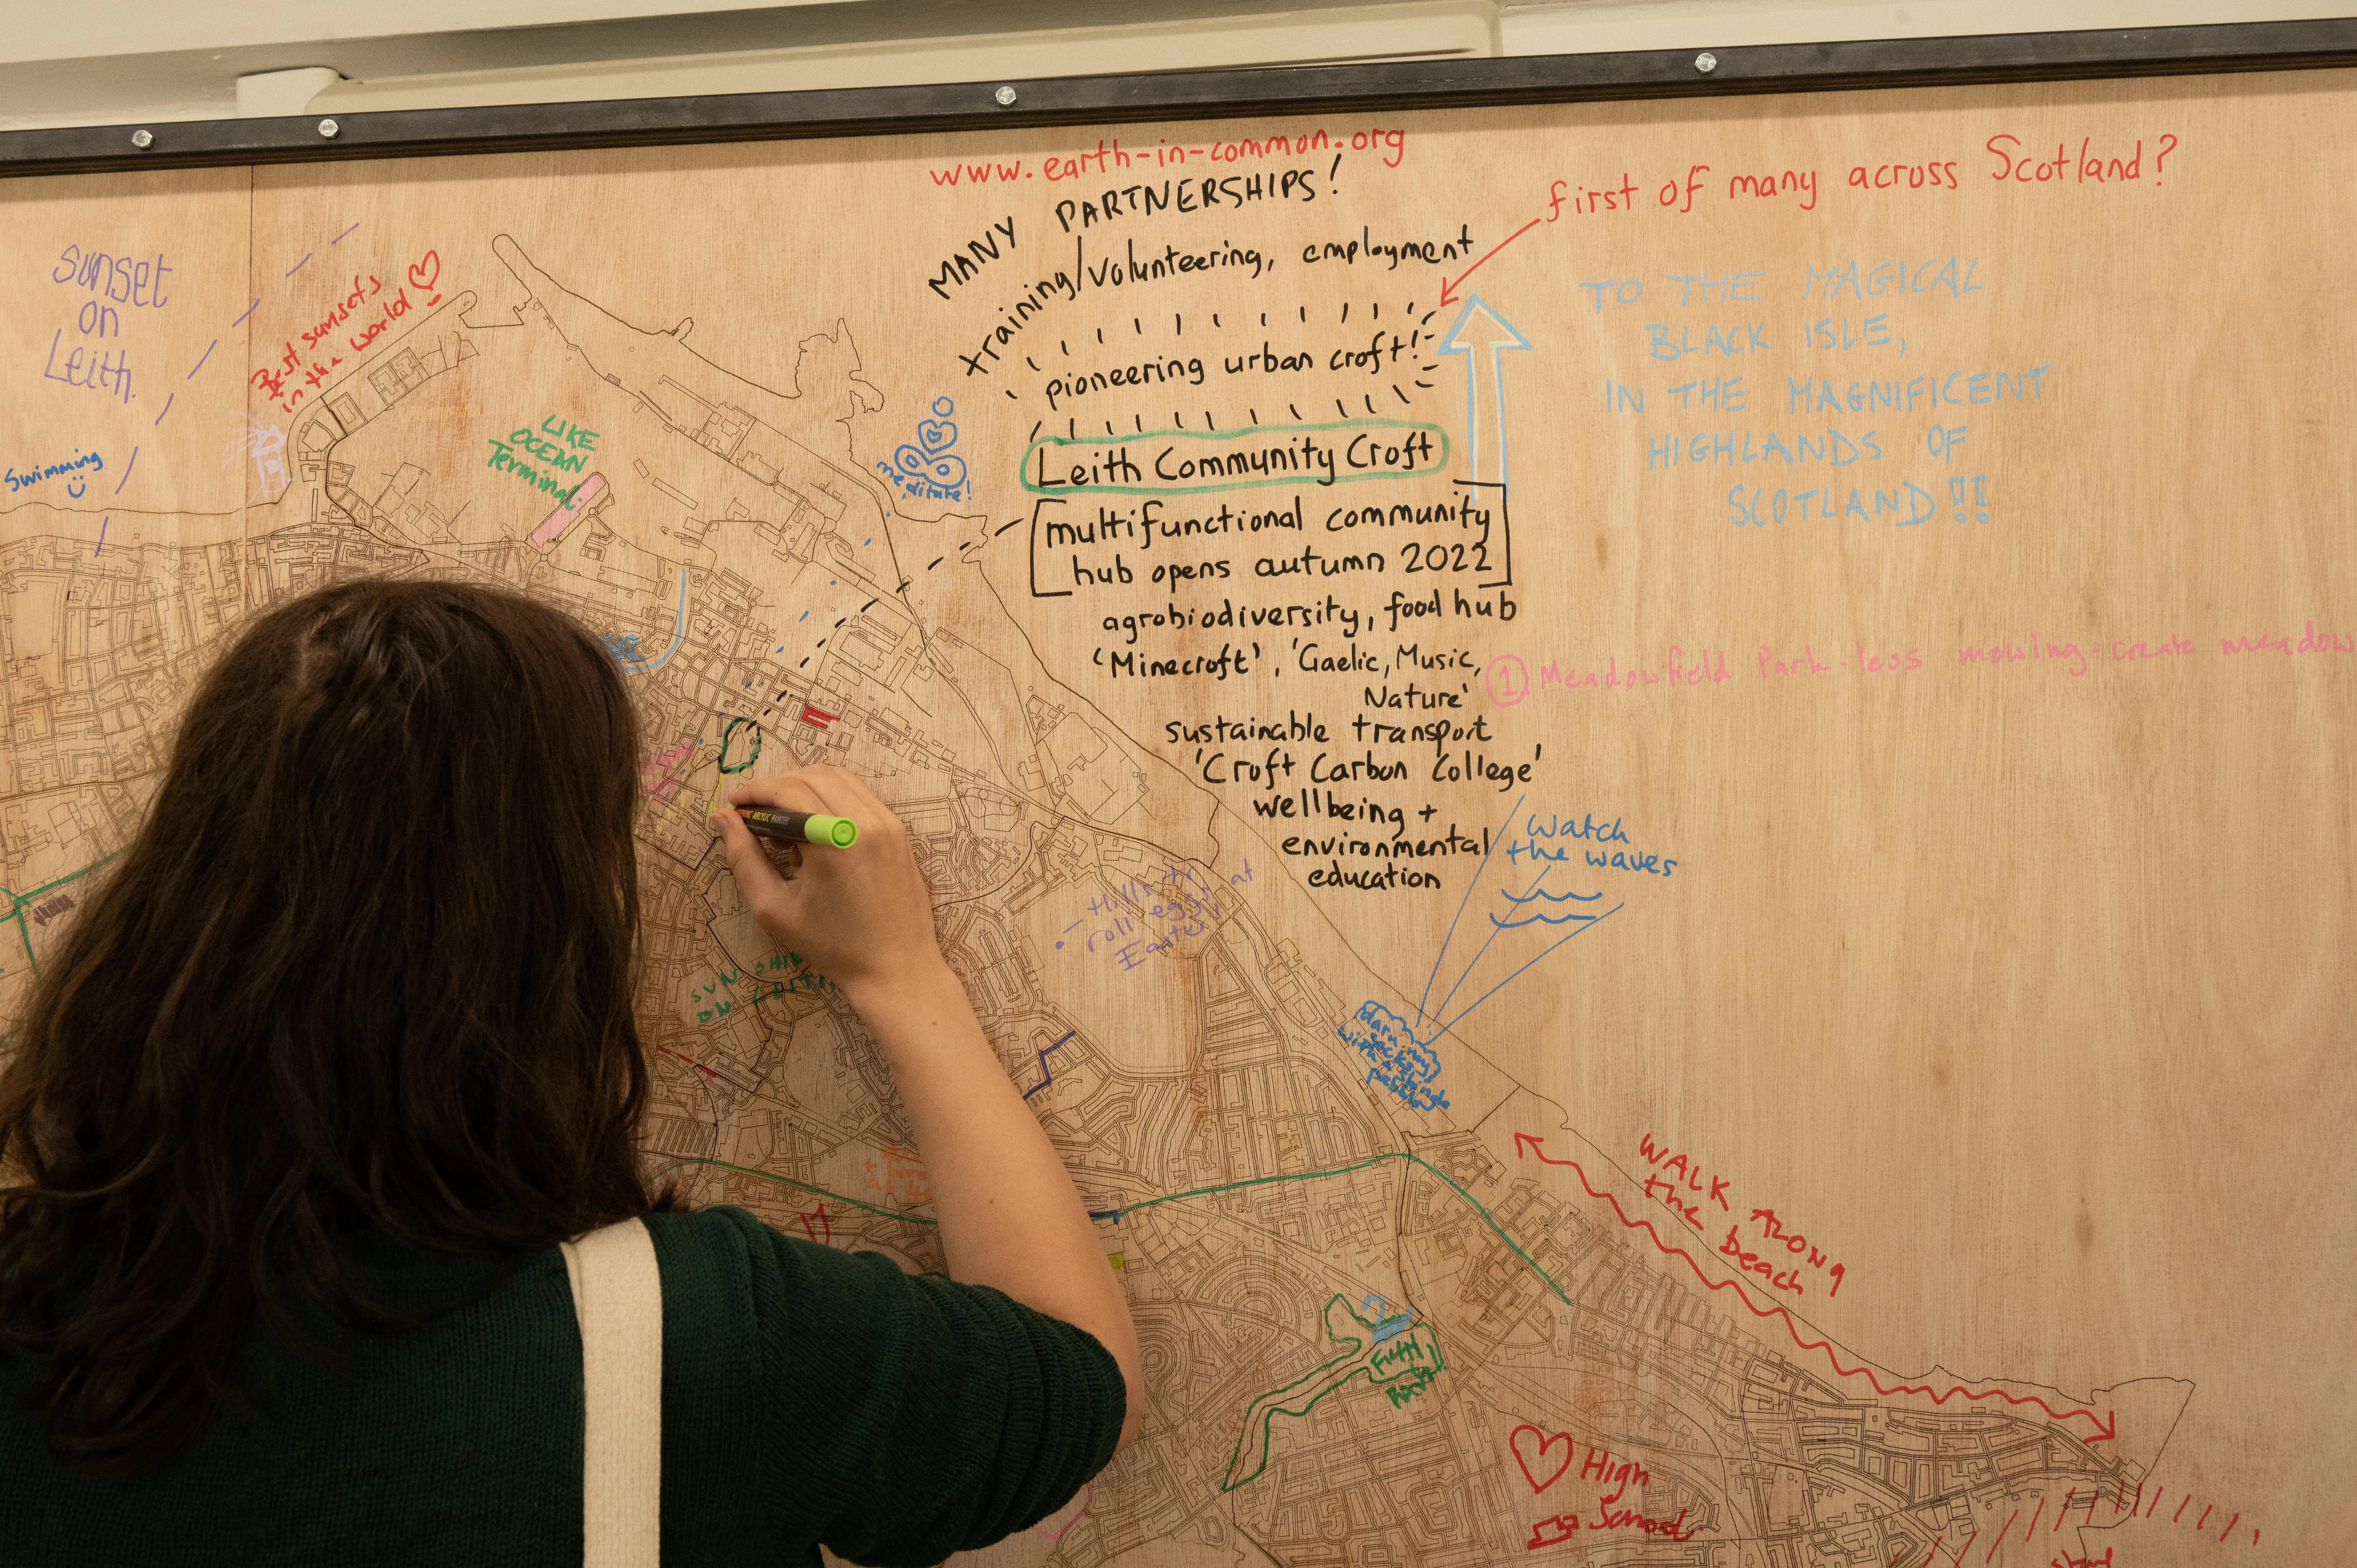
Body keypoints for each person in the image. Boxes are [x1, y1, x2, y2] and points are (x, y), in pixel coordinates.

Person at [0, 579, 1140, 1565]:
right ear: (553, 939)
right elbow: (1073, 1382)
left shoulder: (27, 1299)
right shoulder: (706, 1340)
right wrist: (902, 976)